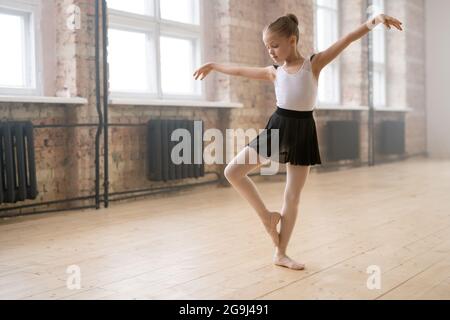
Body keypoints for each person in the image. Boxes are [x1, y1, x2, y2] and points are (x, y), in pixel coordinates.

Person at [193, 13, 403, 270]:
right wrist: (214, 65)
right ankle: (267, 217)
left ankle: (281, 253)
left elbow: (347, 39)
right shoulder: (274, 72)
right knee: (233, 171)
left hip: (303, 130)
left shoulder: (313, 64)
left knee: (292, 195)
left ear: (292, 40)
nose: (270, 51)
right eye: (267, 46)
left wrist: (377, 20)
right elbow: (239, 70)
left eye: (275, 45)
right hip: (278, 126)